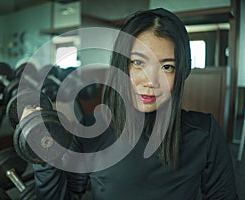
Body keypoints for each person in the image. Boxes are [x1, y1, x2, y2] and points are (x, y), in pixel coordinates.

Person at [26, 8, 239, 200]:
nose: (150, 82)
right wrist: (44, 152)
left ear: (181, 73)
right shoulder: (91, 129)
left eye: (166, 67)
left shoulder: (204, 133)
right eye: (138, 63)